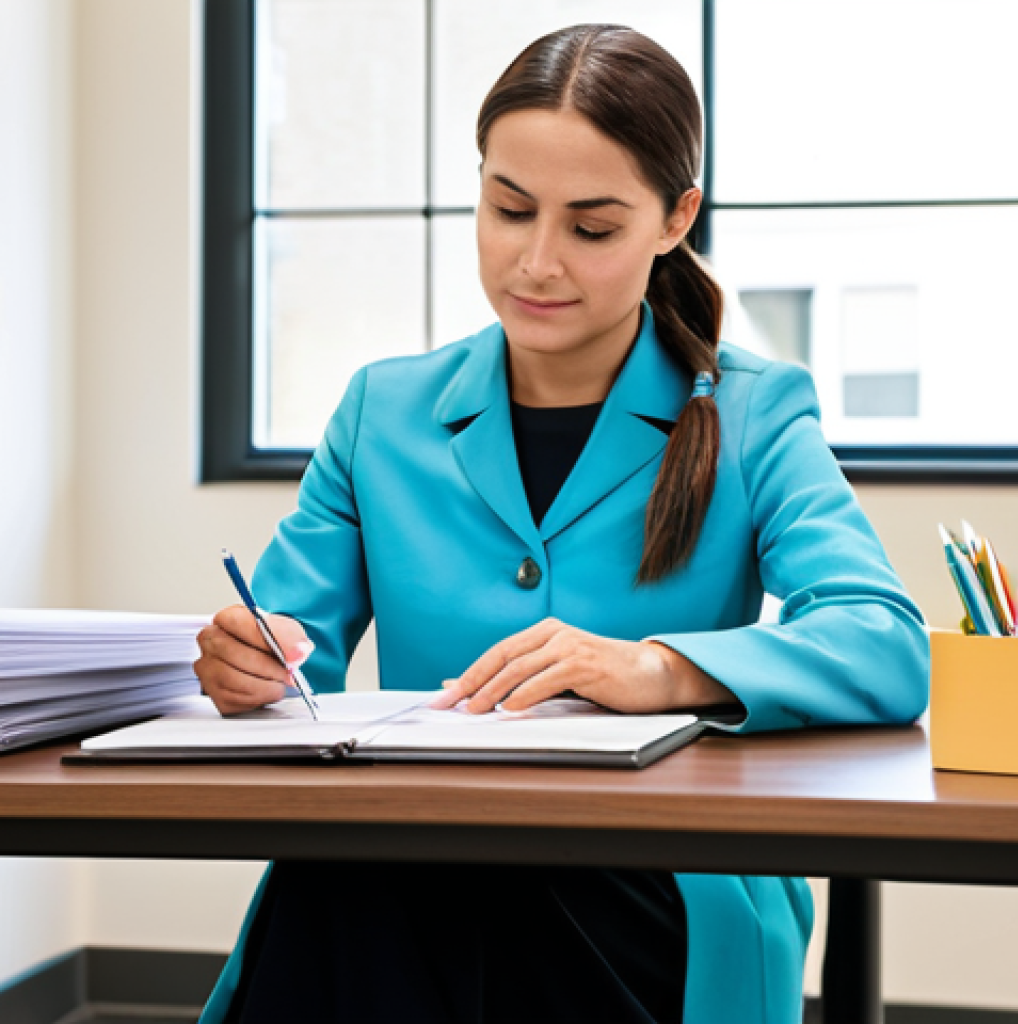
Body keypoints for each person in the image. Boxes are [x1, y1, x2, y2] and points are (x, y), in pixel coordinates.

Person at [194, 24, 929, 1024]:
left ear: (675, 219)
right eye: (508, 210)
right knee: (367, 873)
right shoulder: (382, 411)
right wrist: (250, 663)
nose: (536, 262)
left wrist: (658, 670)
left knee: (406, 890)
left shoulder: (754, 411)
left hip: (659, 879)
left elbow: (883, 641)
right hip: (409, 860)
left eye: (591, 228)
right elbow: (288, 657)